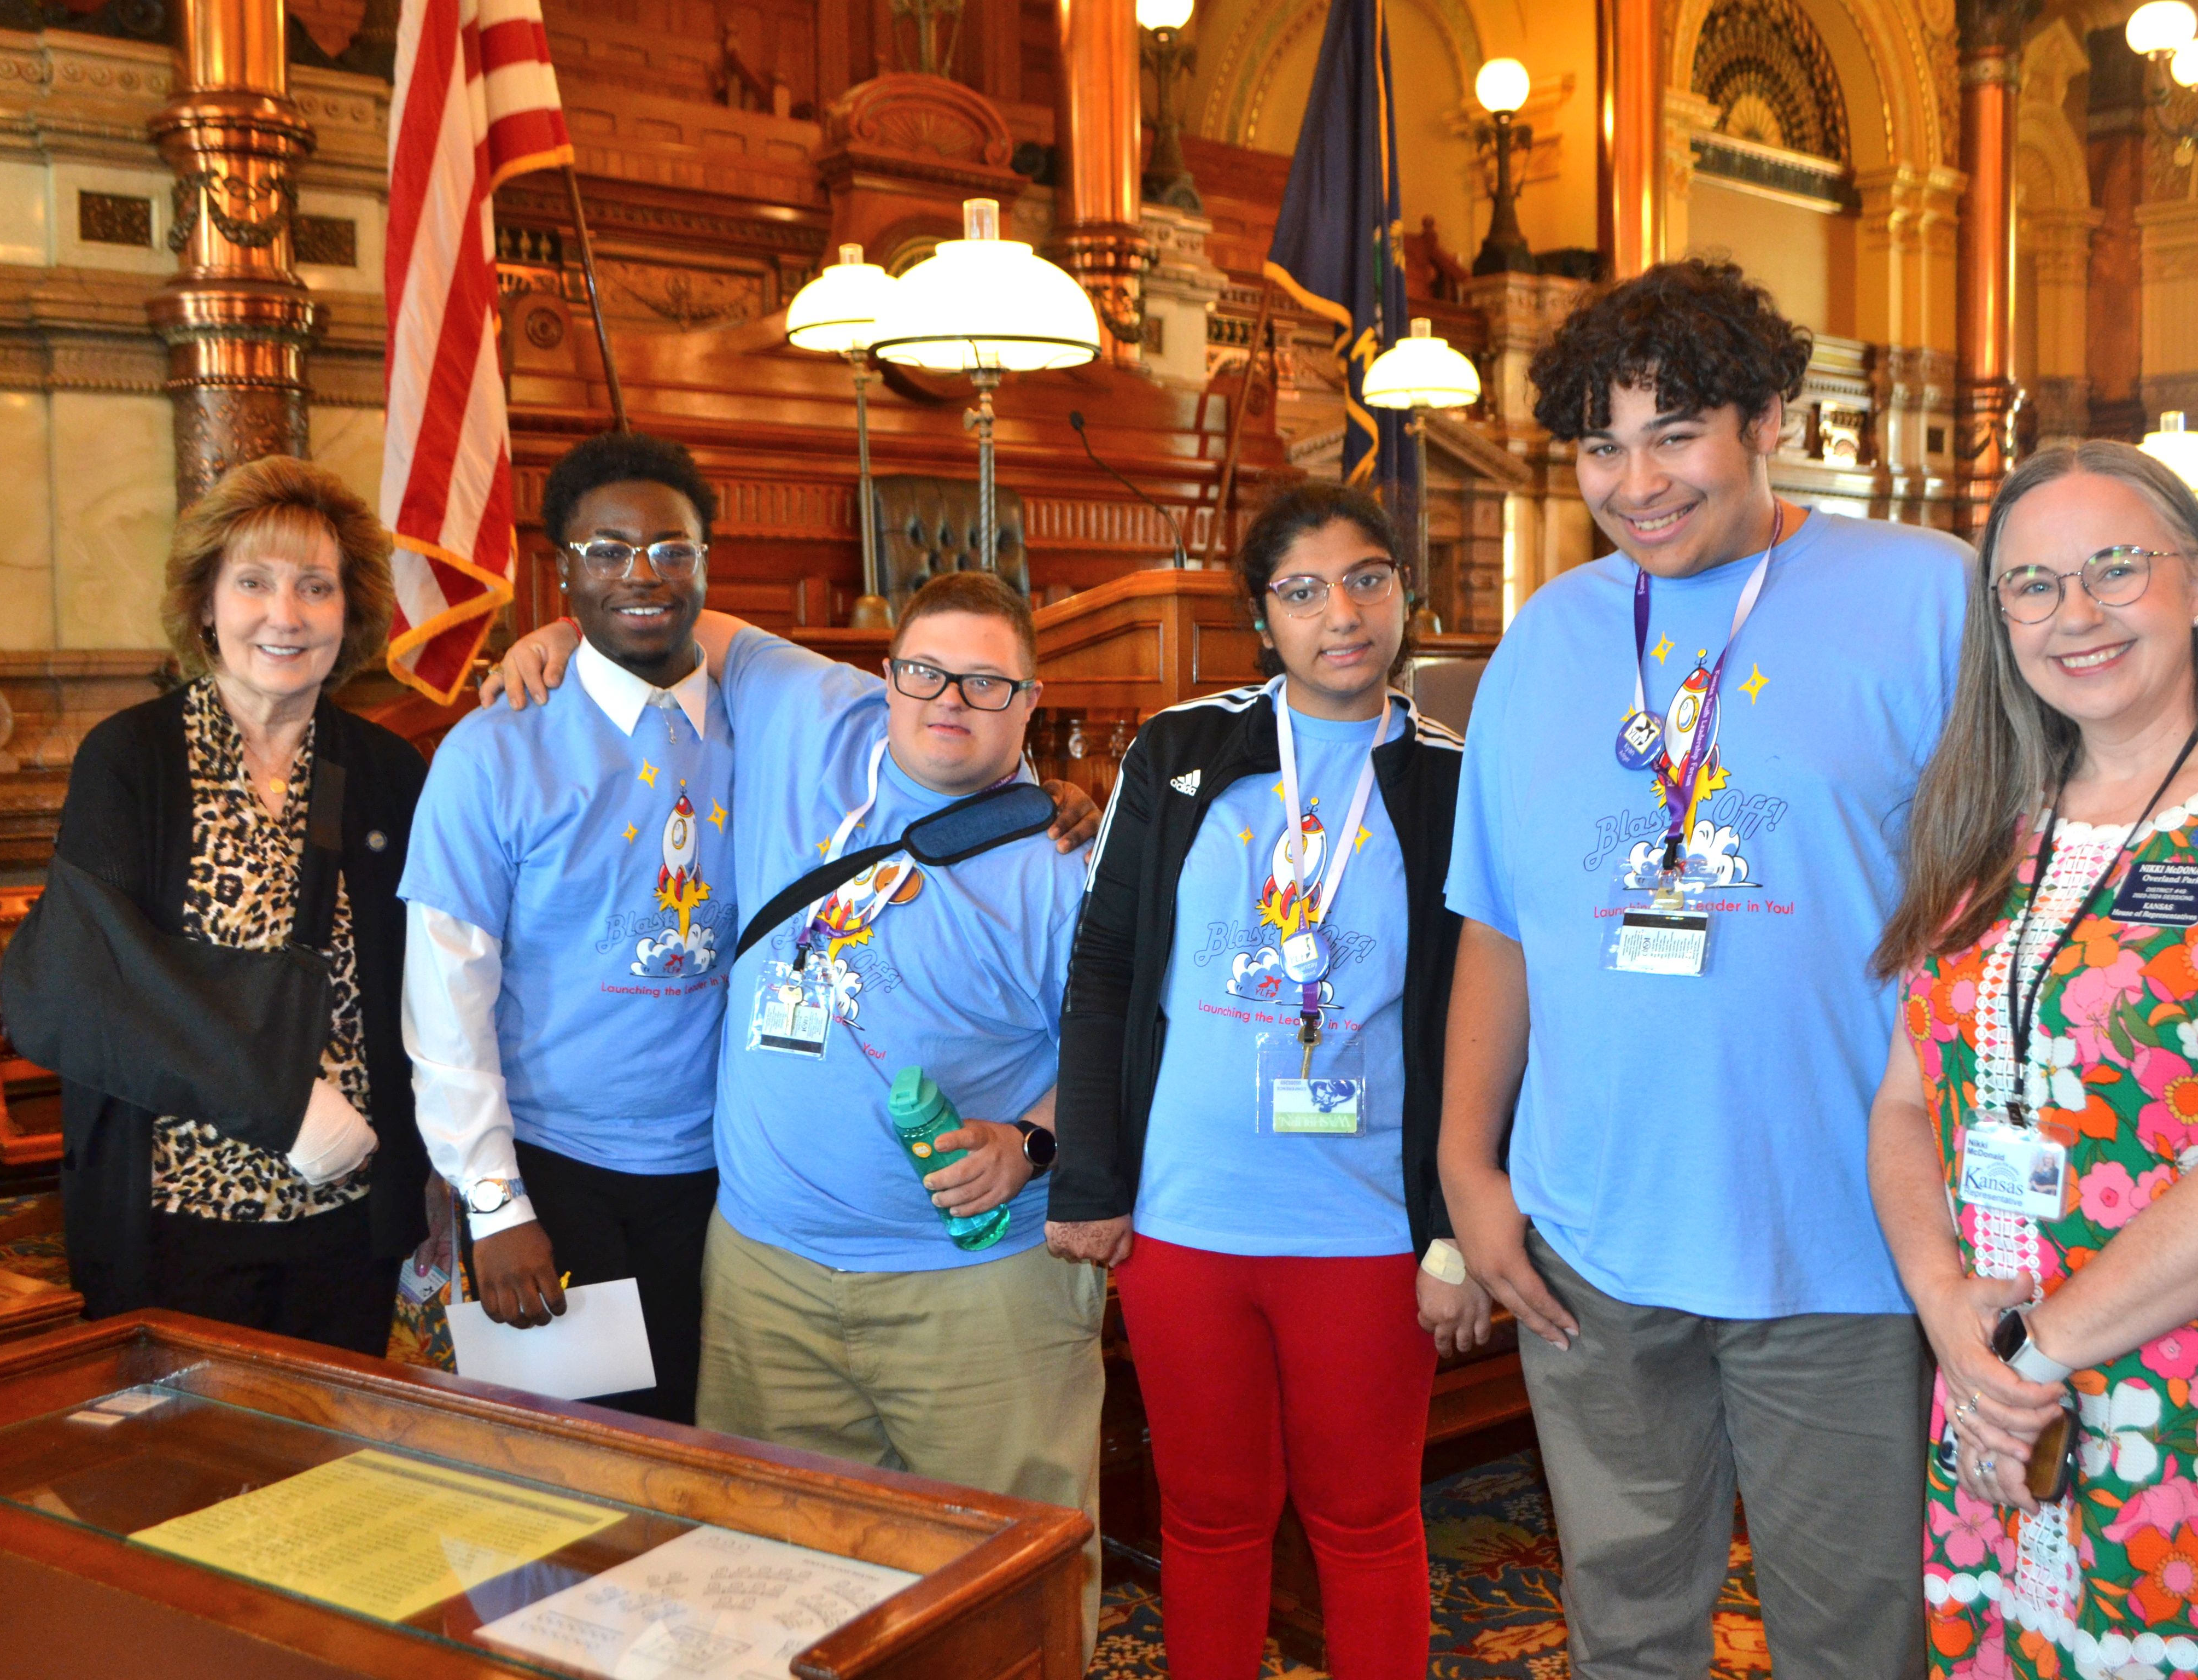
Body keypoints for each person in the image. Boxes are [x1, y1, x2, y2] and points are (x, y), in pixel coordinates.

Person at [1435, 259, 1972, 1680]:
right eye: (1601, 445)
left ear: (1769, 418)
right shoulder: (1546, 641)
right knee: (1623, 1628)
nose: (1636, 480)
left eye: (1675, 432)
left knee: (1859, 1637)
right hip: (1595, 1241)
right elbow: (1501, 923)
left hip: (1845, 1236)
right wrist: (1467, 1173)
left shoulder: (1929, 599)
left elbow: (2003, 899)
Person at [480, 570, 1107, 1651]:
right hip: (767, 1278)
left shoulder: (1068, 862)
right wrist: (556, 632)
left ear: (1031, 701)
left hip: (976, 1294)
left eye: (986, 682)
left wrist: (1031, 1142)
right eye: (925, 672)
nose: (948, 699)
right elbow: (692, 617)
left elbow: (1126, 1056)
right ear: (884, 676)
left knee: (1007, 1584)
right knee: (767, 1582)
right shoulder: (809, 710)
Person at [1867, 441, 2198, 1677]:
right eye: (2034, 584)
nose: (2078, 613)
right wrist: (1950, 1310)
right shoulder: (1988, 817)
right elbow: (1906, 1104)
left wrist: (2033, 1349)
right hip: (2005, 1394)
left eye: (2115, 567)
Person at [1049, 480, 1491, 1680]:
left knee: (1367, 1523)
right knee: (1207, 1520)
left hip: (1365, 1227)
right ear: (1264, 618)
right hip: (1185, 1219)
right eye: (1302, 592)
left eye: (1366, 580)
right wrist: (1089, 1179)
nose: (1339, 614)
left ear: (1407, 594)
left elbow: (1487, 1025)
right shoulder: (1185, 750)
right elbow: (1104, 973)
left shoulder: (1458, 779)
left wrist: (1456, 1236)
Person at [5, 455, 429, 1352]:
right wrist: (282, 1105)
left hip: (345, 1208)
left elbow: (430, 982)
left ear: (348, 610)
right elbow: (89, 979)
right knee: (183, 1470)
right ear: (205, 603)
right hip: (172, 1209)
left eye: (315, 586)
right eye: (254, 583)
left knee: (331, 1461)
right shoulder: (132, 760)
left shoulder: (389, 773)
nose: (285, 614)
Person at [401, 431, 735, 1421]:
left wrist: (1042, 797)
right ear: (564, 570)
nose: (643, 573)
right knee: (574, 1472)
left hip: (728, 1173)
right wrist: (497, 1204)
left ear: (707, 565)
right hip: (556, 1168)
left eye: (672, 549)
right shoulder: (494, 749)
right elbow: (445, 990)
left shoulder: (769, 721)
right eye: (608, 548)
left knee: (716, 1451)